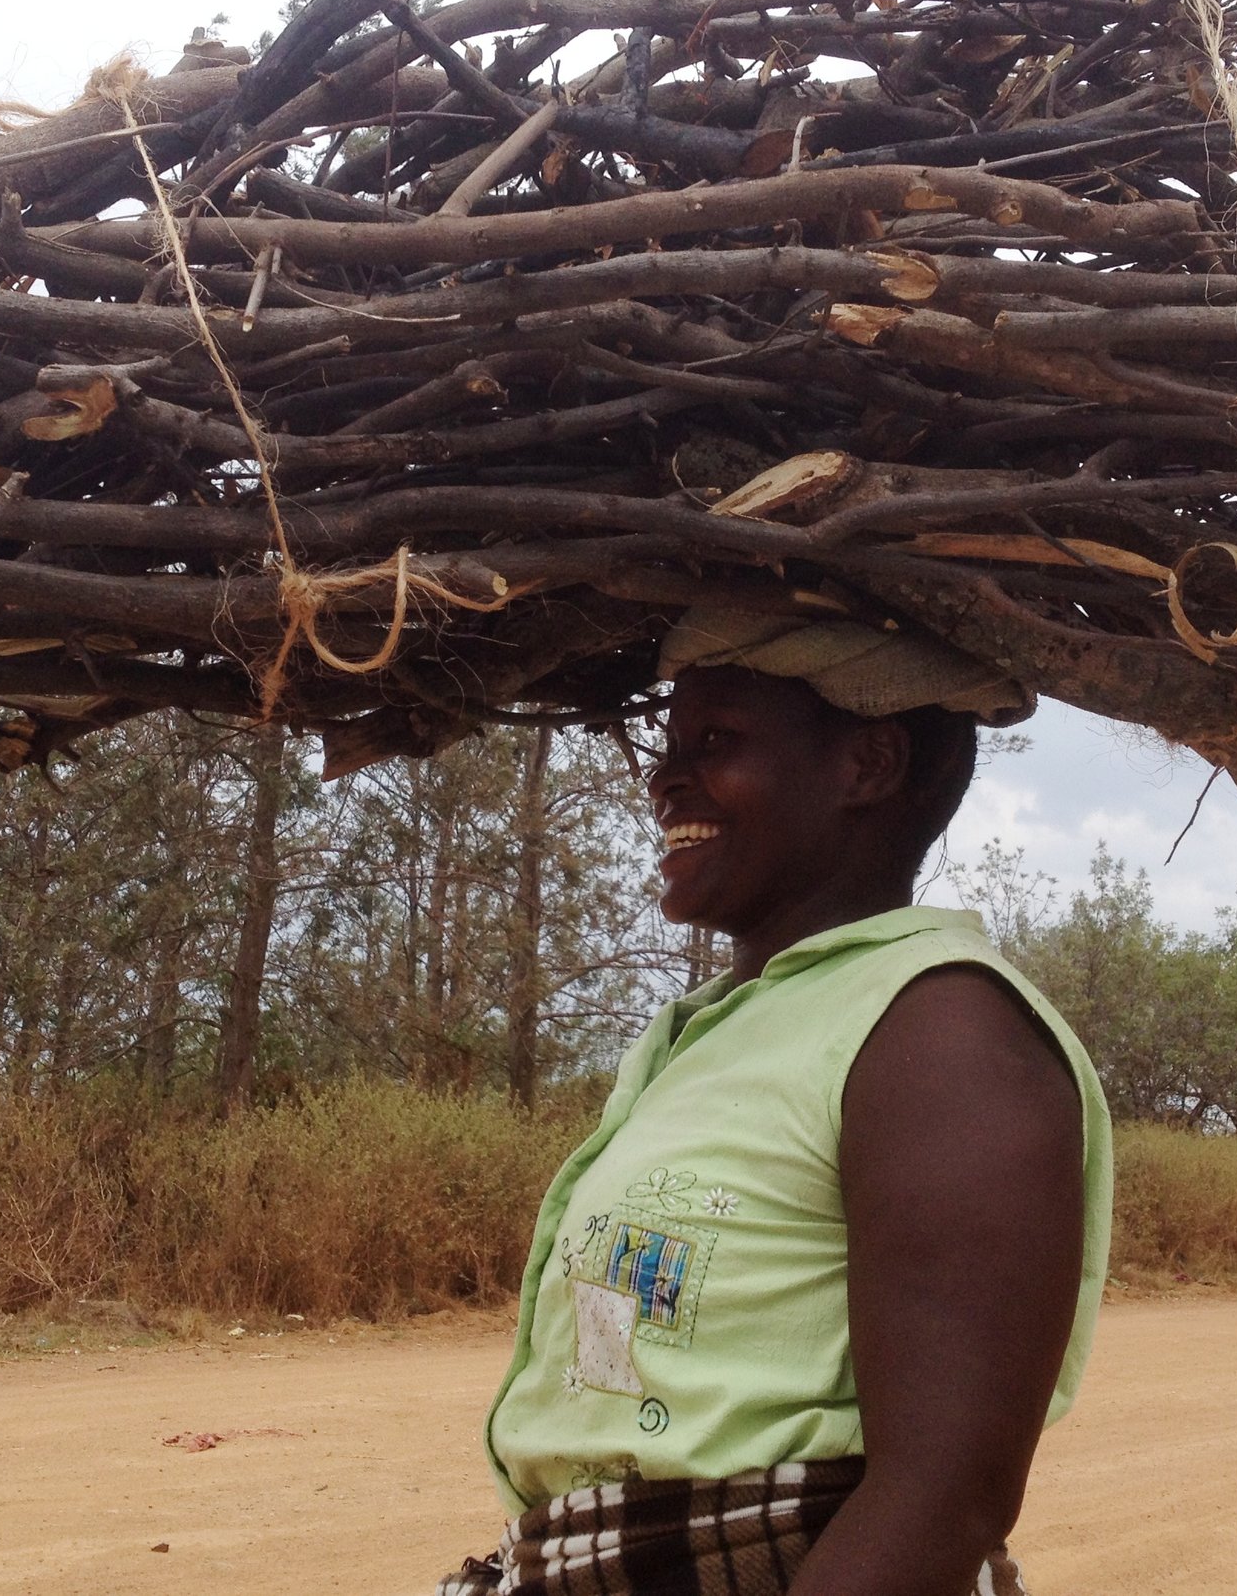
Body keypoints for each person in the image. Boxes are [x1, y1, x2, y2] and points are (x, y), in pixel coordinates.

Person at [445, 608, 1113, 1596]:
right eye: (669, 745)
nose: (663, 779)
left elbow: (941, 1497)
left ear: (868, 766)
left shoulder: (942, 1036)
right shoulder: (716, 1029)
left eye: (715, 743)